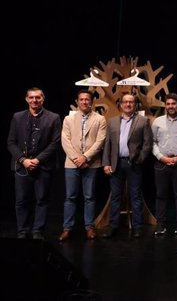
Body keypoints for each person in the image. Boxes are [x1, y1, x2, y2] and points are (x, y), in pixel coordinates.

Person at [7, 87, 61, 239]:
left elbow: (55, 142)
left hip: (42, 164)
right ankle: (22, 231)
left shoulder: (53, 117)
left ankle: (38, 231)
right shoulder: (17, 117)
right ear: (26, 99)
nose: (34, 100)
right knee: (21, 200)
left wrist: (38, 159)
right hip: (22, 165)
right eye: (31, 97)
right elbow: (11, 142)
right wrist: (23, 160)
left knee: (42, 200)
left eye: (37, 97)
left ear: (43, 99)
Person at [102, 92, 153, 238]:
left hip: (133, 164)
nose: (128, 104)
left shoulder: (143, 121)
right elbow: (107, 144)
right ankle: (113, 227)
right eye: (125, 102)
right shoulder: (112, 122)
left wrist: (140, 159)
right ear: (121, 104)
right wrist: (106, 163)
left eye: (131, 102)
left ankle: (137, 227)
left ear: (135, 104)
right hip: (116, 164)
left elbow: (147, 144)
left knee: (135, 196)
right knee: (116, 196)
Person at [59, 89, 107, 242]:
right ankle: (67, 228)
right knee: (70, 197)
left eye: (87, 99)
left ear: (92, 102)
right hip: (72, 163)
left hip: (91, 163)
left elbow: (100, 141)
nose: (84, 102)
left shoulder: (100, 119)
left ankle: (89, 227)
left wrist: (85, 157)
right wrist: (76, 158)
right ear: (77, 101)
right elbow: (64, 140)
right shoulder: (68, 119)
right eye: (82, 99)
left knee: (89, 197)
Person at [151, 93, 177, 236]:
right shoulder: (157, 122)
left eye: (173, 104)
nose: (171, 106)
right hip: (162, 163)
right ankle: (160, 225)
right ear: (165, 105)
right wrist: (161, 157)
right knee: (161, 195)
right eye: (168, 104)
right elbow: (153, 142)